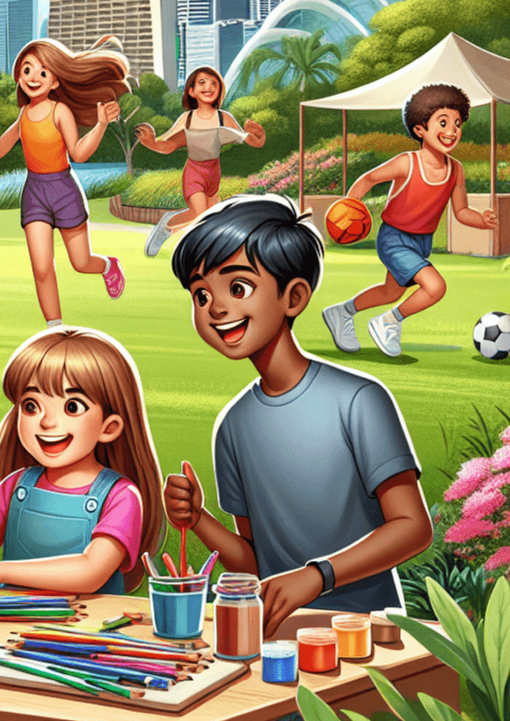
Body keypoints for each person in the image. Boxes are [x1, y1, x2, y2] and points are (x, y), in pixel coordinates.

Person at [164, 195, 433, 636]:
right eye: (200, 294)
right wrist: (200, 519)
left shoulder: (358, 400)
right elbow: (254, 561)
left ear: (294, 296)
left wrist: (316, 576)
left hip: (362, 635)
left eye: (238, 288)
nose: (215, 307)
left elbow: (412, 528)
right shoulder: (233, 426)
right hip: (279, 637)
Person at [0, 327, 165, 594]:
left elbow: (91, 572)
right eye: (31, 405)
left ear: (108, 427)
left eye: (72, 407)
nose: (47, 422)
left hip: (88, 628)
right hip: (14, 623)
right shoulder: (18, 486)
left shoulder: (121, 496)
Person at [322, 83, 496, 358]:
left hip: (420, 243)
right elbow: (368, 179)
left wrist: (481, 220)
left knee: (391, 292)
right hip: (394, 239)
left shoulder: (456, 171)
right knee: (435, 287)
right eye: (443, 122)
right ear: (419, 129)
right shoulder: (407, 163)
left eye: (457, 123)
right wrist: (349, 207)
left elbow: (461, 212)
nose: (452, 131)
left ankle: (341, 312)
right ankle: (388, 321)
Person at [0, 36, 130, 326]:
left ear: (56, 81)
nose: (34, 77)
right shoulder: (23, 115)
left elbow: (79, 154)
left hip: (64, 191)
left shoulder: (61, 112)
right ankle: (54, 329)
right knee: (42, 267)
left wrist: (101, 125)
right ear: (19, 74)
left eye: (43, 72)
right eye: (28, 69)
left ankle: (109, 265)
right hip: (35, 194)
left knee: (81, 263)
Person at [135, 65, 266, 257]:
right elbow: (167, 145)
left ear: (220, 89)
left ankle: (201, 252)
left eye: (214, 83)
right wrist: (149, 142)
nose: (209, 87)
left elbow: (250, 140)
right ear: (191, 90)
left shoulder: (224, 118)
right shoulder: (187, 119)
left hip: (214, 173)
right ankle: (167, 225)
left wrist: (259, 137)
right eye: (202, 82)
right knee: (198, 212)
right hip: (194, 172)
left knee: (211, 219)